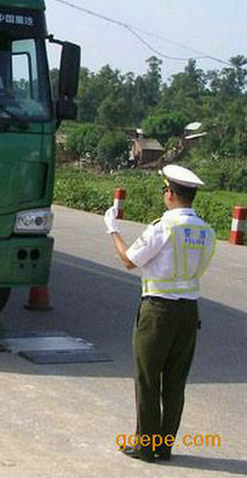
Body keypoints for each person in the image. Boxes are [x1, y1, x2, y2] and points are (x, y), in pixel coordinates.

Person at [104, 164, 216, 463]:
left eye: (165, 189)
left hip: (158, 311)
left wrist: (112, 229)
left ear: (170, 193)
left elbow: (129, 261)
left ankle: (145, 447)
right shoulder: (206, 231)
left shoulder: (163, 227)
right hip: (189, 312)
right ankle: (164, 446)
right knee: (175, 381)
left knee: (148, 378)